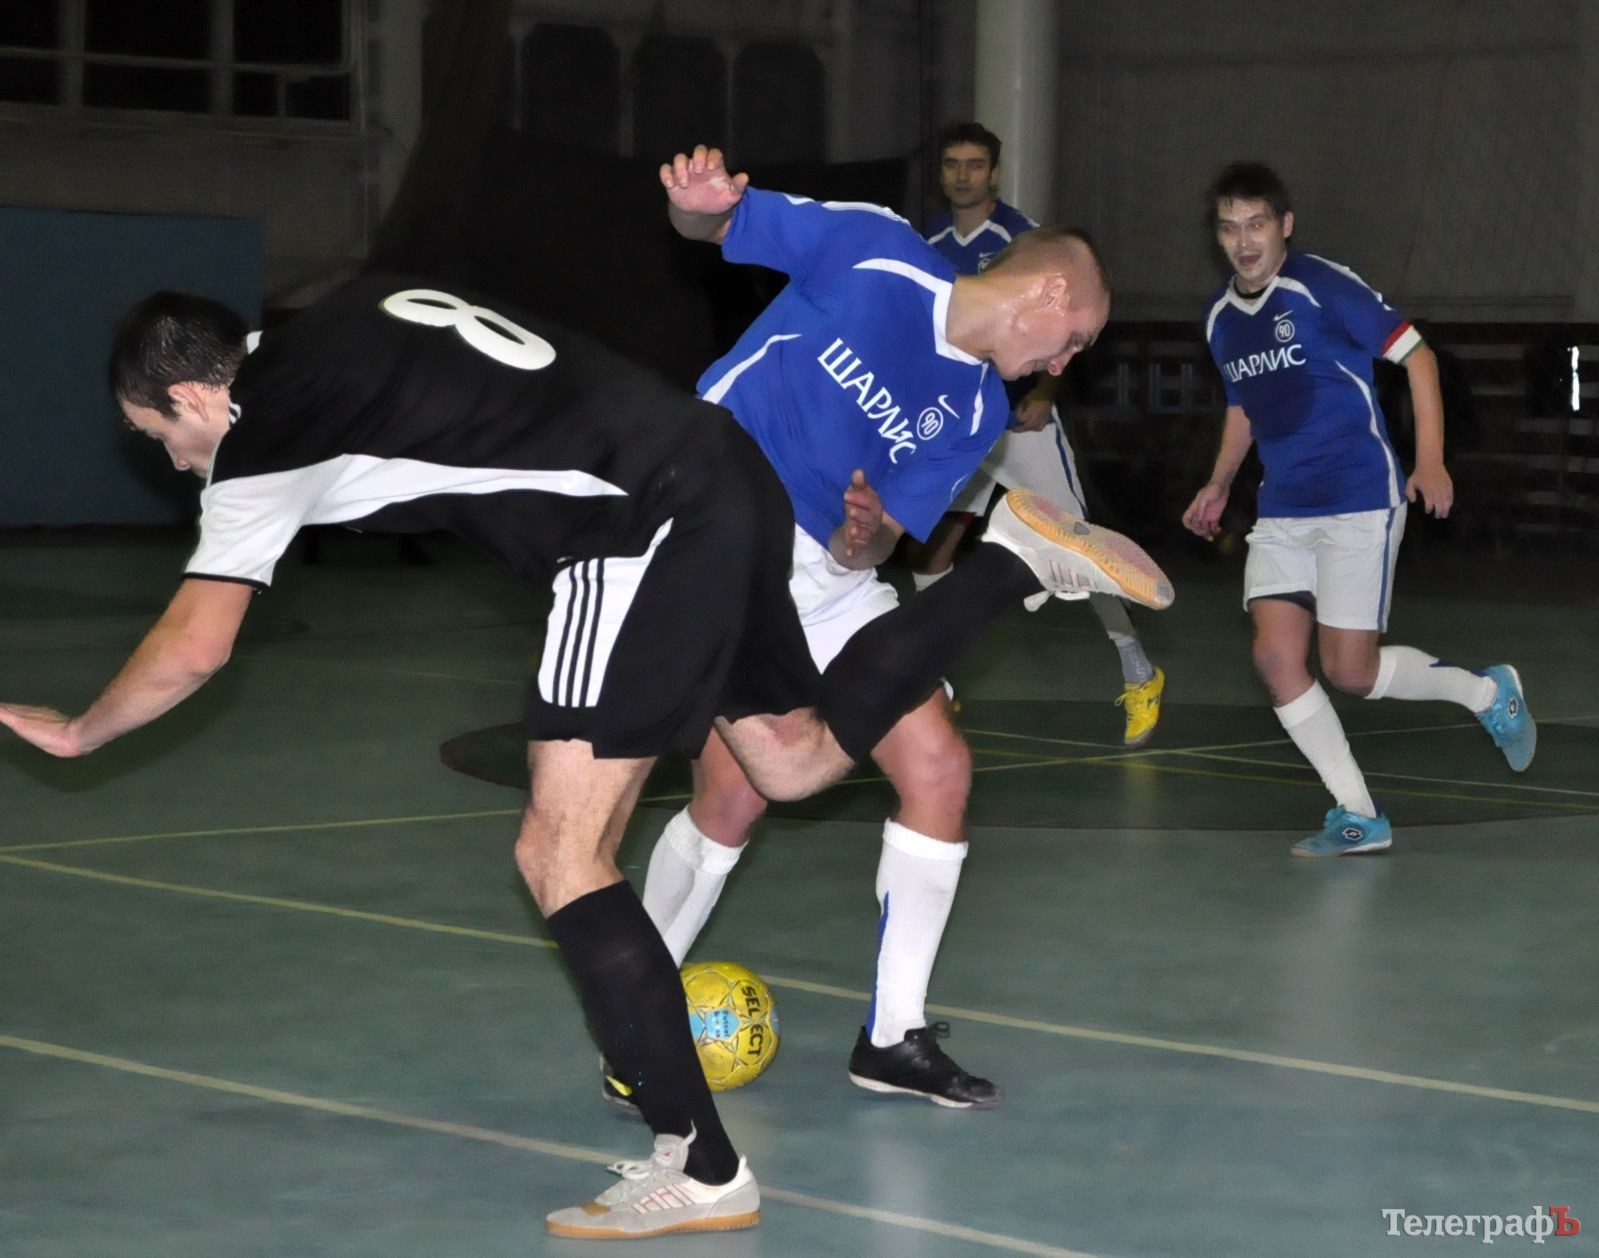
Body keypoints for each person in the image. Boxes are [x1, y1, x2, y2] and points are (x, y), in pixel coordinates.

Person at [0, 272, 1170, 1239]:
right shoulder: (348, 309)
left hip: (632, 526)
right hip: (724, 472)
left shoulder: (267, 428)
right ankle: (1011, 561)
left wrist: (81, 727)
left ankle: (699, 1164)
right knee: (796, 762)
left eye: (163, 438)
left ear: (196, 393)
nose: (178, 463)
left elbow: (197, 646)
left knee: (560, 852)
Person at [624, 144, 1145, 1117]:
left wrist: (862, 537)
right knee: (734, 795)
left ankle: (892, 1037)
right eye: (1075, 338)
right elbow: (718, 225)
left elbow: (879, 544)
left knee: (939, 766)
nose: (1066, 363)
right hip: (714, 529)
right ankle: (633, 1030)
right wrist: (694, 205)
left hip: (825, 576)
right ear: (1048, 293)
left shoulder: (977, 409)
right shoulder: (877, 253)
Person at [1182, 161, 1535, 858]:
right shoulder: (1220, 319)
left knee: (1350, 671)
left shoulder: (1323, 286)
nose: (1243, 241)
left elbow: (1418, 357)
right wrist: (1219, 481)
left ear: (1284, 225)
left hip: (1357, 498)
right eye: (1228, 228)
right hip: (1282, 508)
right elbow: (1242, 406)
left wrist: (1429, 460)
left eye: (1256, 224)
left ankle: (1485, 693)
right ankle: (1357, 813)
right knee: (1275, 659)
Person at [918, 122, 1165, 747]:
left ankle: (1139, 669)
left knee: (1085, 551)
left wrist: (1047, 393)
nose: (963, 176)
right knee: (930, 552)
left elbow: (1073, 328)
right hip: (959, 424)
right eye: (952, 164)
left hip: (1020, 427)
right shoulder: (930, 243)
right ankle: (932, 681)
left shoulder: (1025, 240)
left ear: (995, 174)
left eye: (975, 165)